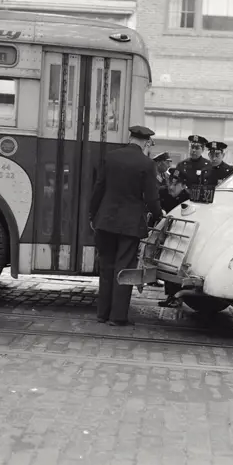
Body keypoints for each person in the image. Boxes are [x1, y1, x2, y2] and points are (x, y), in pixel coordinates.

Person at [90, 125, 161, 326]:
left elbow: (98, 188)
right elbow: (151, 197)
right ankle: (118, 317)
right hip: (129, 225)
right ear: (146, 142)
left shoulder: (110, 157)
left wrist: (92, 214)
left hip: (105, 220)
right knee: (123, 269)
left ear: (130, 137)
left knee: (106, 267)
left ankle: (102, 314)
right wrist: (158, 215)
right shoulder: (147, 164)